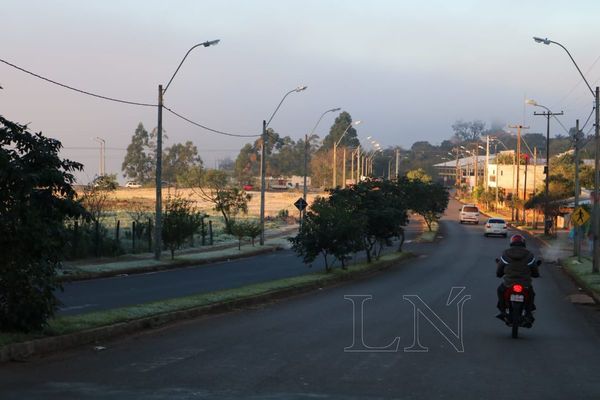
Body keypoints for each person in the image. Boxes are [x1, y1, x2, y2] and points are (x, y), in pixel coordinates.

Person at [496, 234, 540, 326]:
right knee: (531, 294)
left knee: (500, 290)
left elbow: (500, 268)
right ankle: (528, 313)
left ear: (511, 243)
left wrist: (499, 274)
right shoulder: (529, 255)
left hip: (509, 283)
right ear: (523, 243)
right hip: (525, 283)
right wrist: (536, 274)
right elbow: (534, 269)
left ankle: (503, 311)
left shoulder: (506, 254)